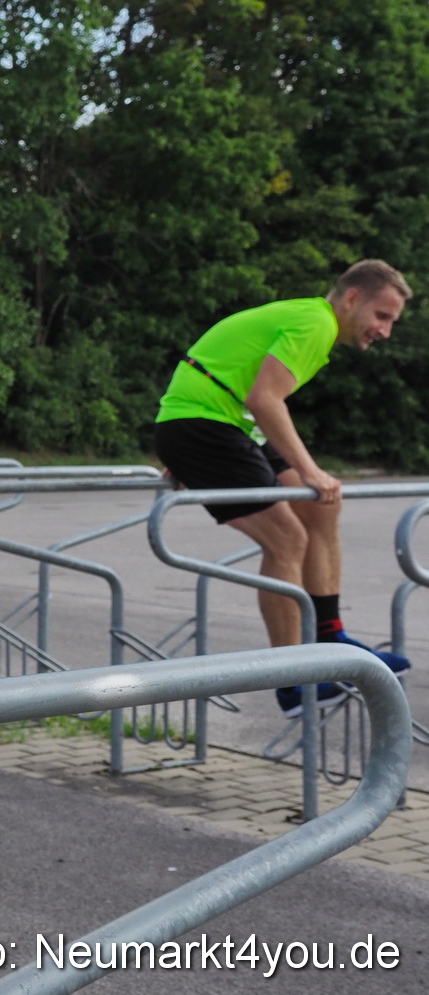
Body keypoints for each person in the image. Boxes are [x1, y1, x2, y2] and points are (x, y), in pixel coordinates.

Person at [153, 259, 413, 716]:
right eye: (382, 316)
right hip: (202, 423)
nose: (385, 331)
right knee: (287, 537)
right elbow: (264, 398)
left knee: (322, 509)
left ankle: (330, 636)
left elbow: (253, 397)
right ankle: (291, 680)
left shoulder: (313, 320)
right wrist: (309, 469)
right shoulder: (316, 322)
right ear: (352, 299)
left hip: (226, 421)